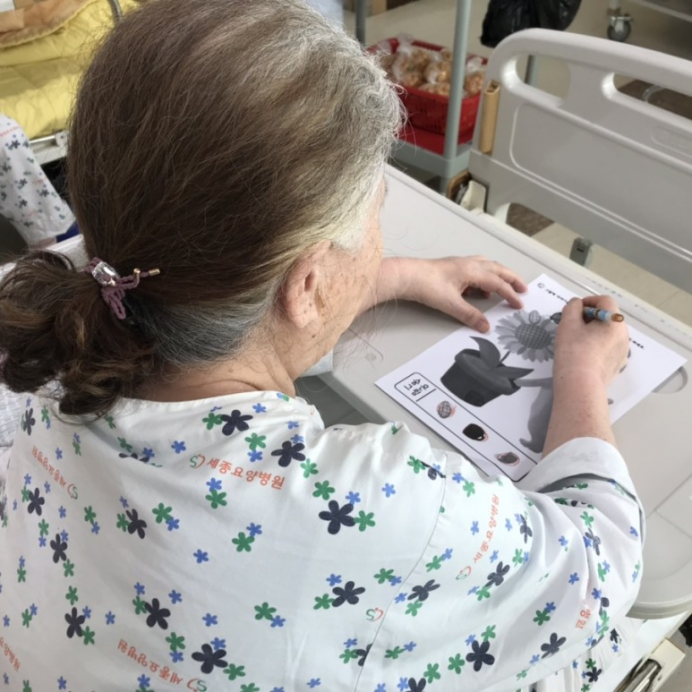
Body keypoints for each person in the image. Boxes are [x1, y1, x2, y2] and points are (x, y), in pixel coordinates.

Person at [0, 1, 642, 690]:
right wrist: (583, 371)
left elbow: (204, 281)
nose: (379, 241)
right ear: (305, 284)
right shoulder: (368, 502)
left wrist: (391, 277)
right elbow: (598, 567)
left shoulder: (55, 325)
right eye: (376, 215)